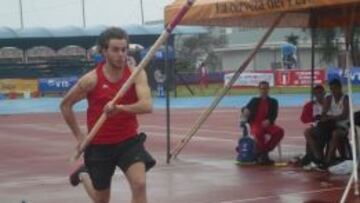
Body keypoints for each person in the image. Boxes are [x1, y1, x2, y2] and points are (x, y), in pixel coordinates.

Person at [60, 27, 155, 203]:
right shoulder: (91, 80)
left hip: (128, 141)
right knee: (102, 199)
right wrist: (80, 137)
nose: (121, 54)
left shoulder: (136, 74)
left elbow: (147, 105)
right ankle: (83, 175)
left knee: (140, 184)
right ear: (104, 51)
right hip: (99, 145)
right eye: (115, 50)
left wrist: (120, 108)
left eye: (124, 49)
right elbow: (65, 105)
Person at [241, 81, 284, 164]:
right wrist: (244, 112)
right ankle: (264, 155)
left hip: (268, 124)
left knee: (279, 131)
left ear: (268, 89)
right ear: (259, 89)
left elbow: (274, 115)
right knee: (258, 132)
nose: (264, 90)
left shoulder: (273, 101)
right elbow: (245, 109)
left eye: (266, 88)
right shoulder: (254, 100)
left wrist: (269, 120)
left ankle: (264, 151)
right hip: (255, 123)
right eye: (262, 88)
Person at [321, 78, 350, 168]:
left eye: (335, 88)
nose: (333, 91)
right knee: (310, 131)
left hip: (343, 127)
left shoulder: (345, 98)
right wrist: (331, 118)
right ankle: (317, 157)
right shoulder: (329, 98)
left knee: (335, 134)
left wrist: (330, 117)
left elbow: (344, 115)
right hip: (331, 126)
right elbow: (323, 114)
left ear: (340, 88)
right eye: (332, 89)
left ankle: (328, 160)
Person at [300, 85, 329, 169]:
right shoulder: (310, 105)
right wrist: (313, 118)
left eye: (320, 93)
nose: (318, 95)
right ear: (314, 94)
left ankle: (318, 157)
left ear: (324, 93)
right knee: (309, 131)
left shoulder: (329, 103)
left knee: (308, 132)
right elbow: (303, 119)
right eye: (316, 93)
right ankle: (317, 157)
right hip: (317, 128)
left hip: (329, 127)